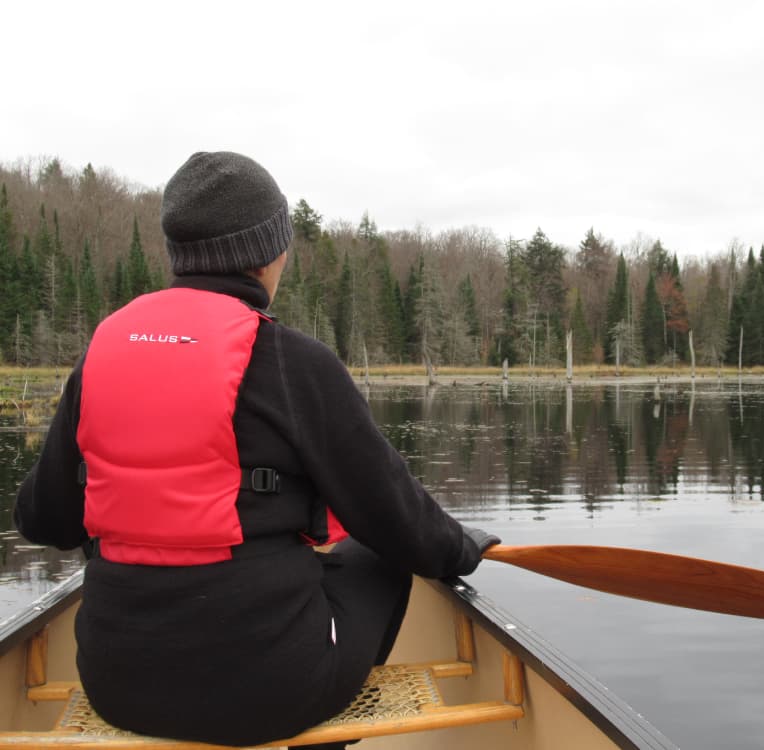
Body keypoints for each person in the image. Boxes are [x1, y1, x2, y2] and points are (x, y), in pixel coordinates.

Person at [15, 151, 500, 748]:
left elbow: (44, 520)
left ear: (178, 251)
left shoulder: (103, 352)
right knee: (380, 555)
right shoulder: (292, 361)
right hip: (267, 694)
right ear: (272, 252)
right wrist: (462, 549)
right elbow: (399, 521)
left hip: (117, 686)